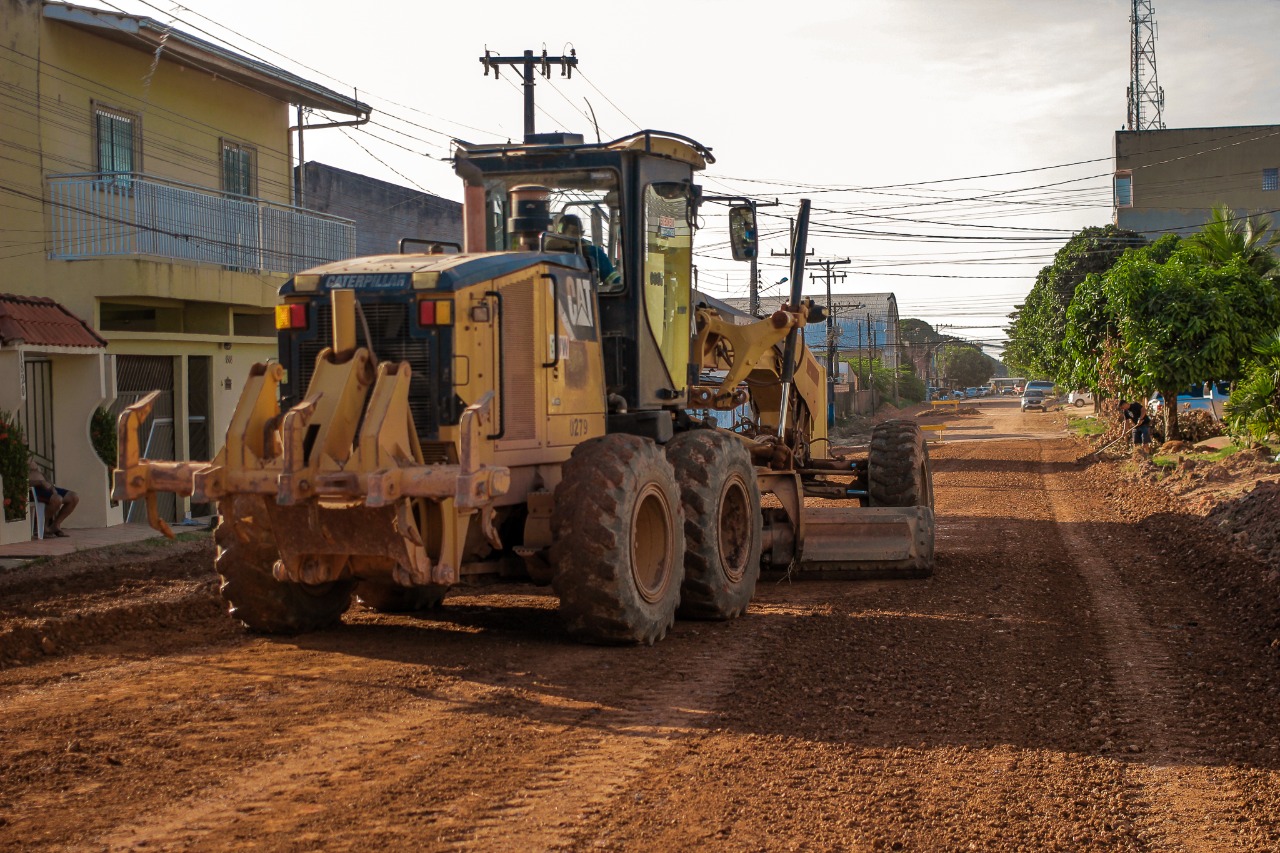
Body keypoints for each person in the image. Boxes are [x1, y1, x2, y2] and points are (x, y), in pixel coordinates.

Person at [555, 214, 620, 285]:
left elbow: (613, 281)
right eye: (573, 232)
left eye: (578, 233)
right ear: (560, 233)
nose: (575, 236)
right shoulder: (551, 255)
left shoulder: (594, 253)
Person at [29, 458, 77, 537]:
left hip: (47, 487)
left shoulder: (31, 459)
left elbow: (43, 475)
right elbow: (21, 481)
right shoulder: (17, 460)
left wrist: (52, 486)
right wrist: (40, 482)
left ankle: (56, 525)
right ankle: (42, 527)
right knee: (57, 499)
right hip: (34, 489)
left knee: (74, 497)